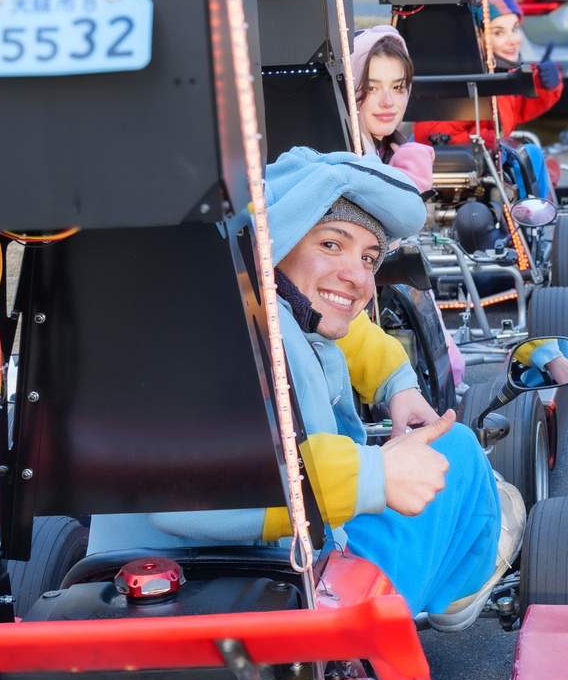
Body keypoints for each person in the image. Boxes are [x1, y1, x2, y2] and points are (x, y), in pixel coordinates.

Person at [90, 149, 521, 629]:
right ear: (283, 238)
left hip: (165, 576)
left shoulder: (239, 301)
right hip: (282, 598)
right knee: (457, 450)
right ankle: (458, 584)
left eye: (369, 257)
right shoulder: (222, 335)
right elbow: (185, 495)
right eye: (332, 245)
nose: (358, 276)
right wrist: (371, 476)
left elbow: (341, 325)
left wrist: (396, 383)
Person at [352, 24, 466, 387]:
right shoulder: (347, 159)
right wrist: (402, 186)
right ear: (350, 88)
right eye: (372, 88)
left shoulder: (391, 152)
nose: (389, 102)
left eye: (398, 87)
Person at [413, 0, 564, 152]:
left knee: (533, 155)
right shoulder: (461, 79)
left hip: (489, 158)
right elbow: (431, 134)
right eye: (498, 32)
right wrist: (493, 140)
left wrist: (543, 84)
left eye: (515, 29)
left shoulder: (500, 74)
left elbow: (517, 109)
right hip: (468, 165)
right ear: (478, 37)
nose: (513, 40)